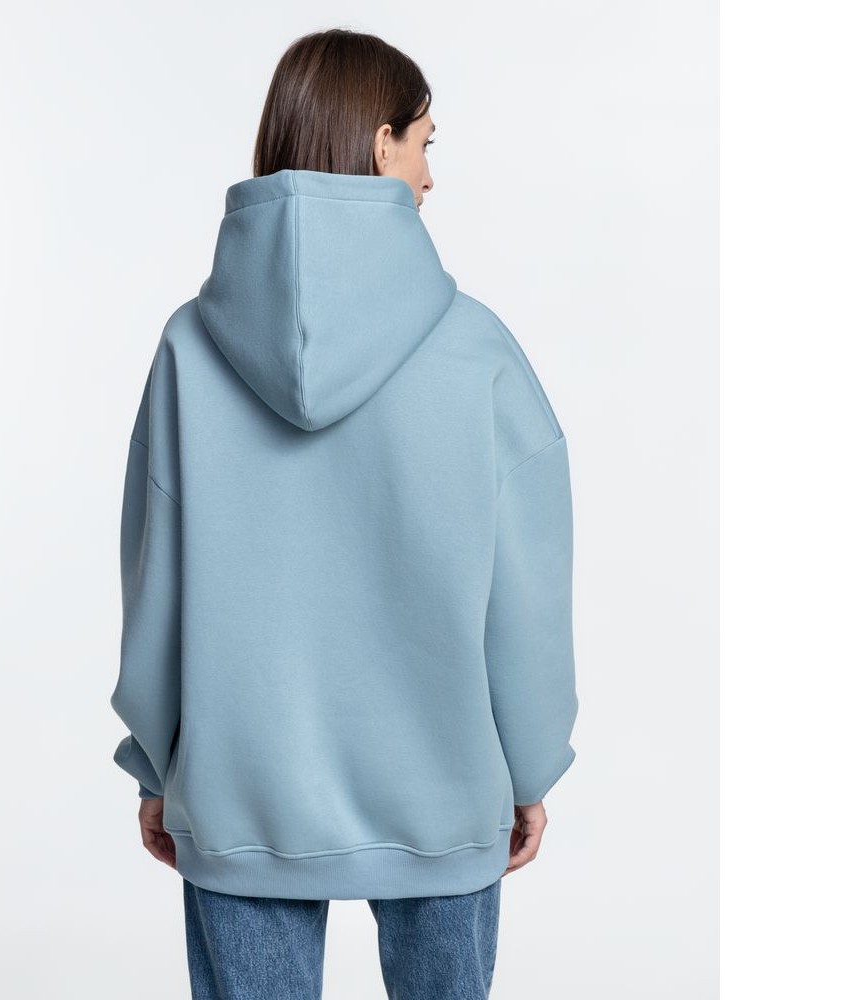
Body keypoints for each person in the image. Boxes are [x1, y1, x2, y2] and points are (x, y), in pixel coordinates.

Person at [110, 27, 579, 1000]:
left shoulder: (190, 349)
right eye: (425, 144)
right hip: (444, 793)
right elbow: (527, 593)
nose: (430, 176)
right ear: (379, 142)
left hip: (240, 795)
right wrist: (530, 765)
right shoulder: (476, 351)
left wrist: (158, 765)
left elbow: (155, 583)